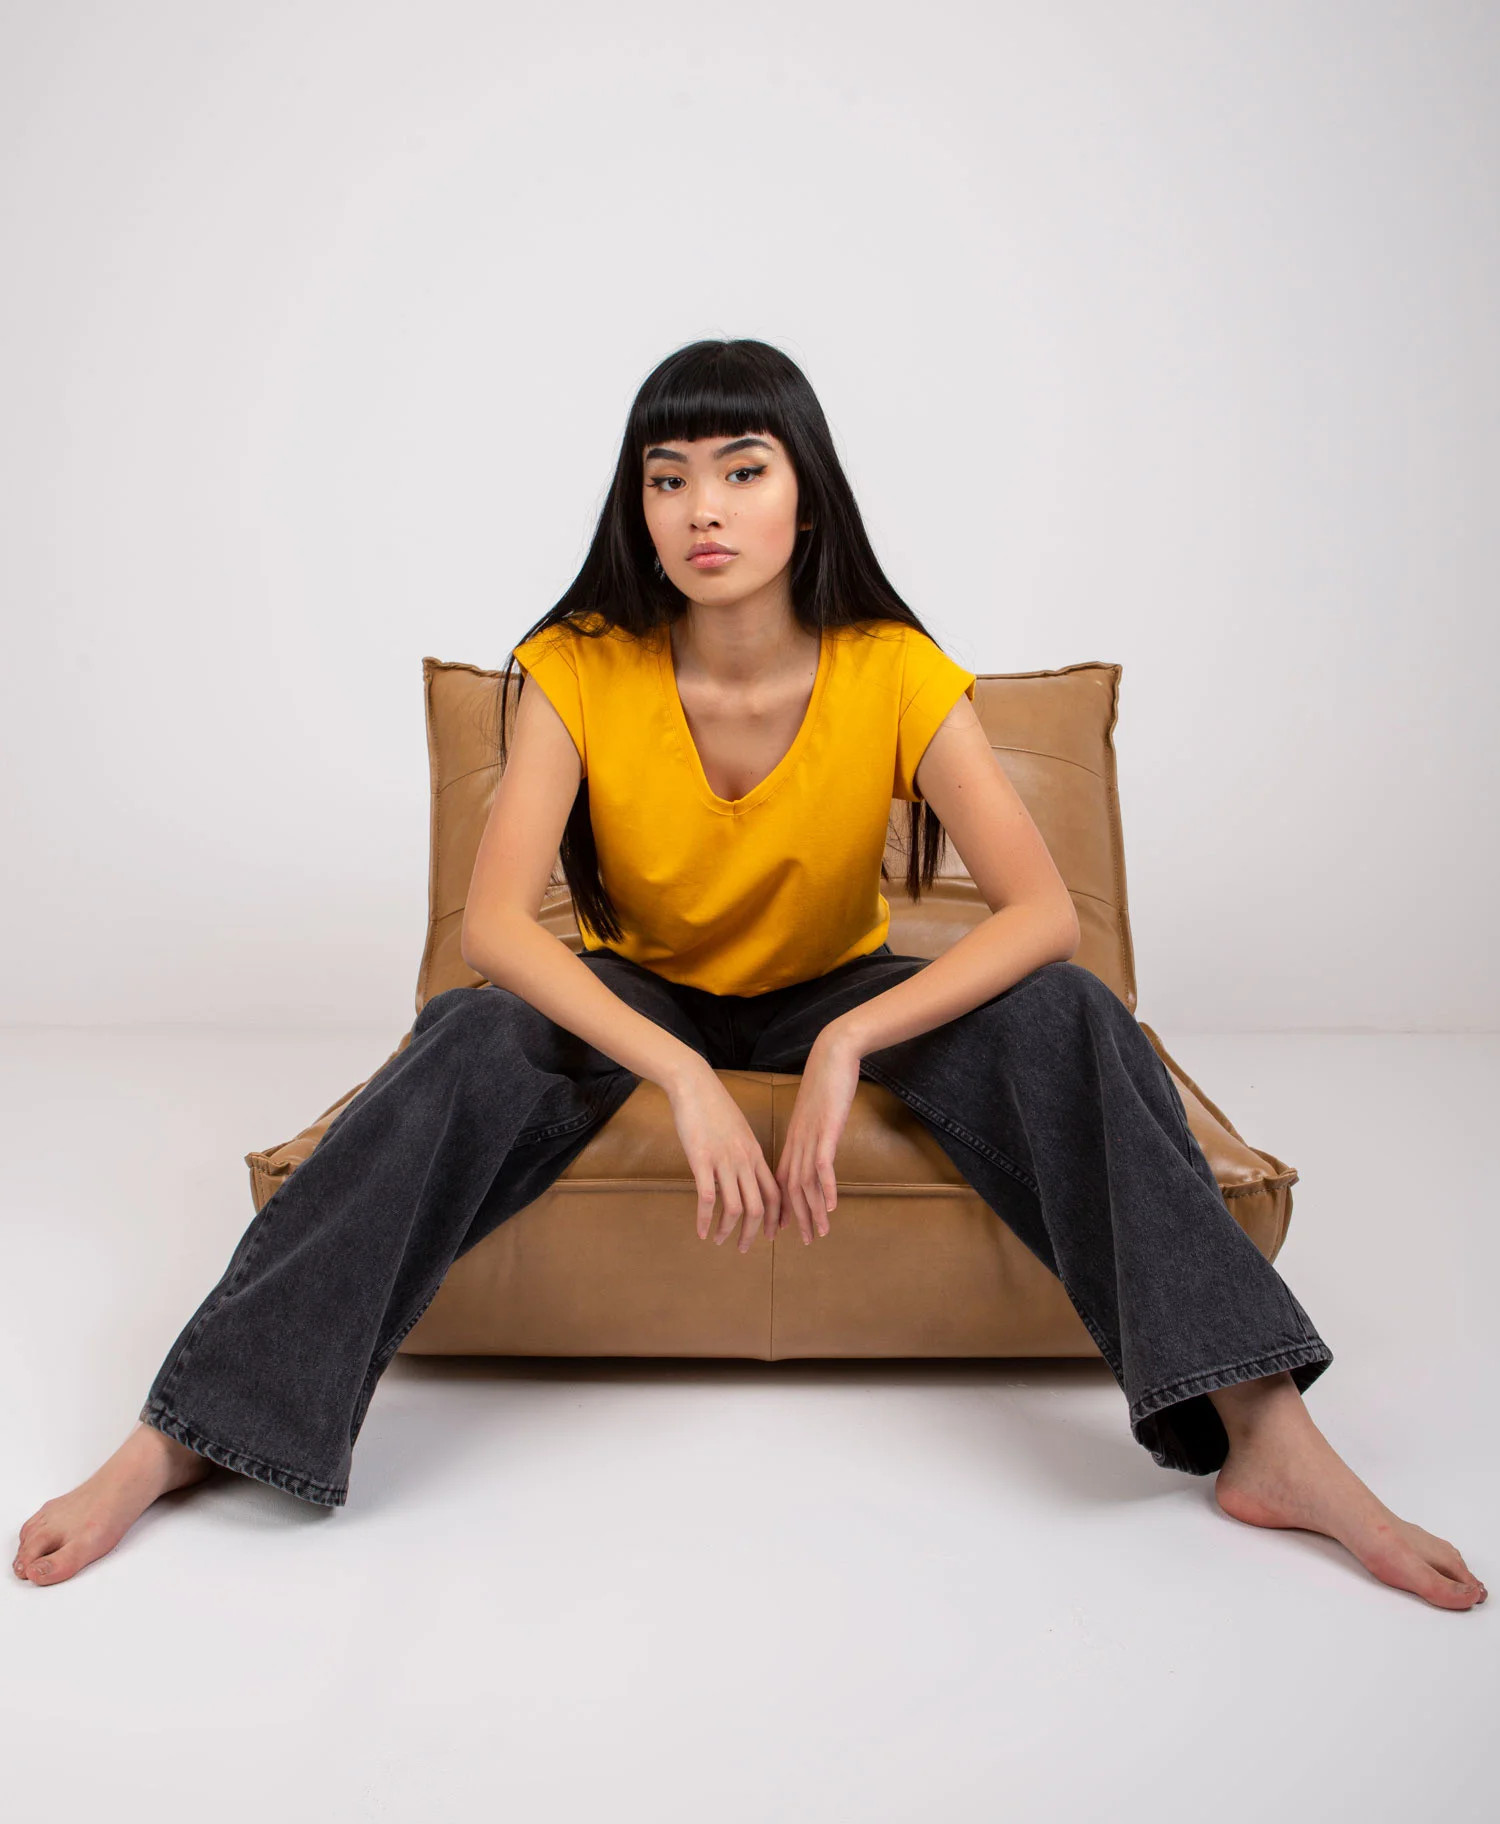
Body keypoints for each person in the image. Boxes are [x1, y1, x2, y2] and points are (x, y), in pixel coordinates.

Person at [13, 338, 1485, 1612]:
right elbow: (498, 930)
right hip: (641, 992)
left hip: (836, 987)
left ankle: (1265, 1434)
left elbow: (1041, 915)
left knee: (1073, 1017)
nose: (701, 507)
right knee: (466, 1039)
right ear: (638, 505)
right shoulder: (577, 663)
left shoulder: (892, 667)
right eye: (667, 478)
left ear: (806, 495)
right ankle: (192, 1433)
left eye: (740, 469)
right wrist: (678, 1071)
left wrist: (843, 1047)